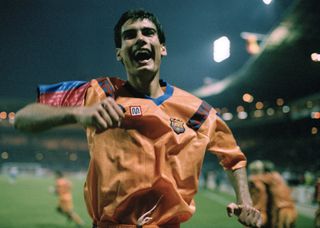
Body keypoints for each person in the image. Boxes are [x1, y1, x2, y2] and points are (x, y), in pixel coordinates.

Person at [14, 9, 261, 228]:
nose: (140, 38)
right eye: (130, 35)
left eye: (148, 32)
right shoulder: (98, 92)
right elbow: (23, 118)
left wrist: (245, 202)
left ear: (162, 48)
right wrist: (78, 113)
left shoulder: (197, 111)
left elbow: (233, 157)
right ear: (119, 53)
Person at [249, 160, 297, 228]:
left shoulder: (270, 177)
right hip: (291, 209)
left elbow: (254, 178)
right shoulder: (279, 177)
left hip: (282, 210)